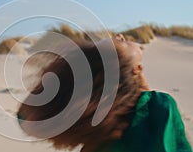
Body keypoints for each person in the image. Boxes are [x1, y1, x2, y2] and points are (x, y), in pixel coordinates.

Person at [17, 34, 192, 152]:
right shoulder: (159, 105)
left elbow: (24, 117)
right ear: (136, 68)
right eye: (121, 43)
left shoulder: (99, 121)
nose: (120, 36)